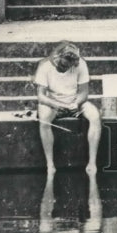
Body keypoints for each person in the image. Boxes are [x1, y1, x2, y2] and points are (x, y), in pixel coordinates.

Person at [34, 41, 101, 176]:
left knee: (95, 115)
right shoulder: (45, 66)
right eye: (64, 64)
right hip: (52, 102)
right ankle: (50, 165)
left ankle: (92, 163)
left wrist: (75, 104)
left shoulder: (81, 64)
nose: (65, 68)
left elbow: (84, 92)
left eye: (69, 66)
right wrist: (55, 105)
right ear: (58, 57)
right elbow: (41, 96)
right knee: (44, 118)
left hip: (74, 101)